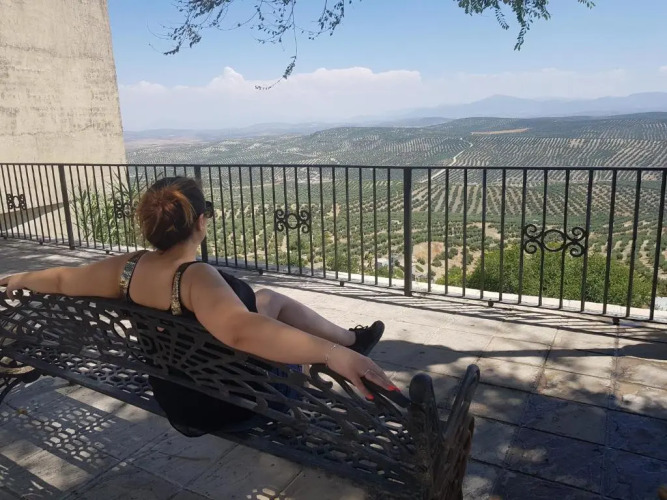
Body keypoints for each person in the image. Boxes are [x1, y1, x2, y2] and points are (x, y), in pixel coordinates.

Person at [0, 176, 396, 436]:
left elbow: (61, 279)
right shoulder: (195, 278)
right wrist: (331, 354)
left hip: (178, 393)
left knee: (267, 299)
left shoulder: (126, 268)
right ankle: (345, 347)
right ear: (201, 221)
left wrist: (19, 278)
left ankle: (352, 339)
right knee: (270, 313)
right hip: (232, 402)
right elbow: (240, 330)